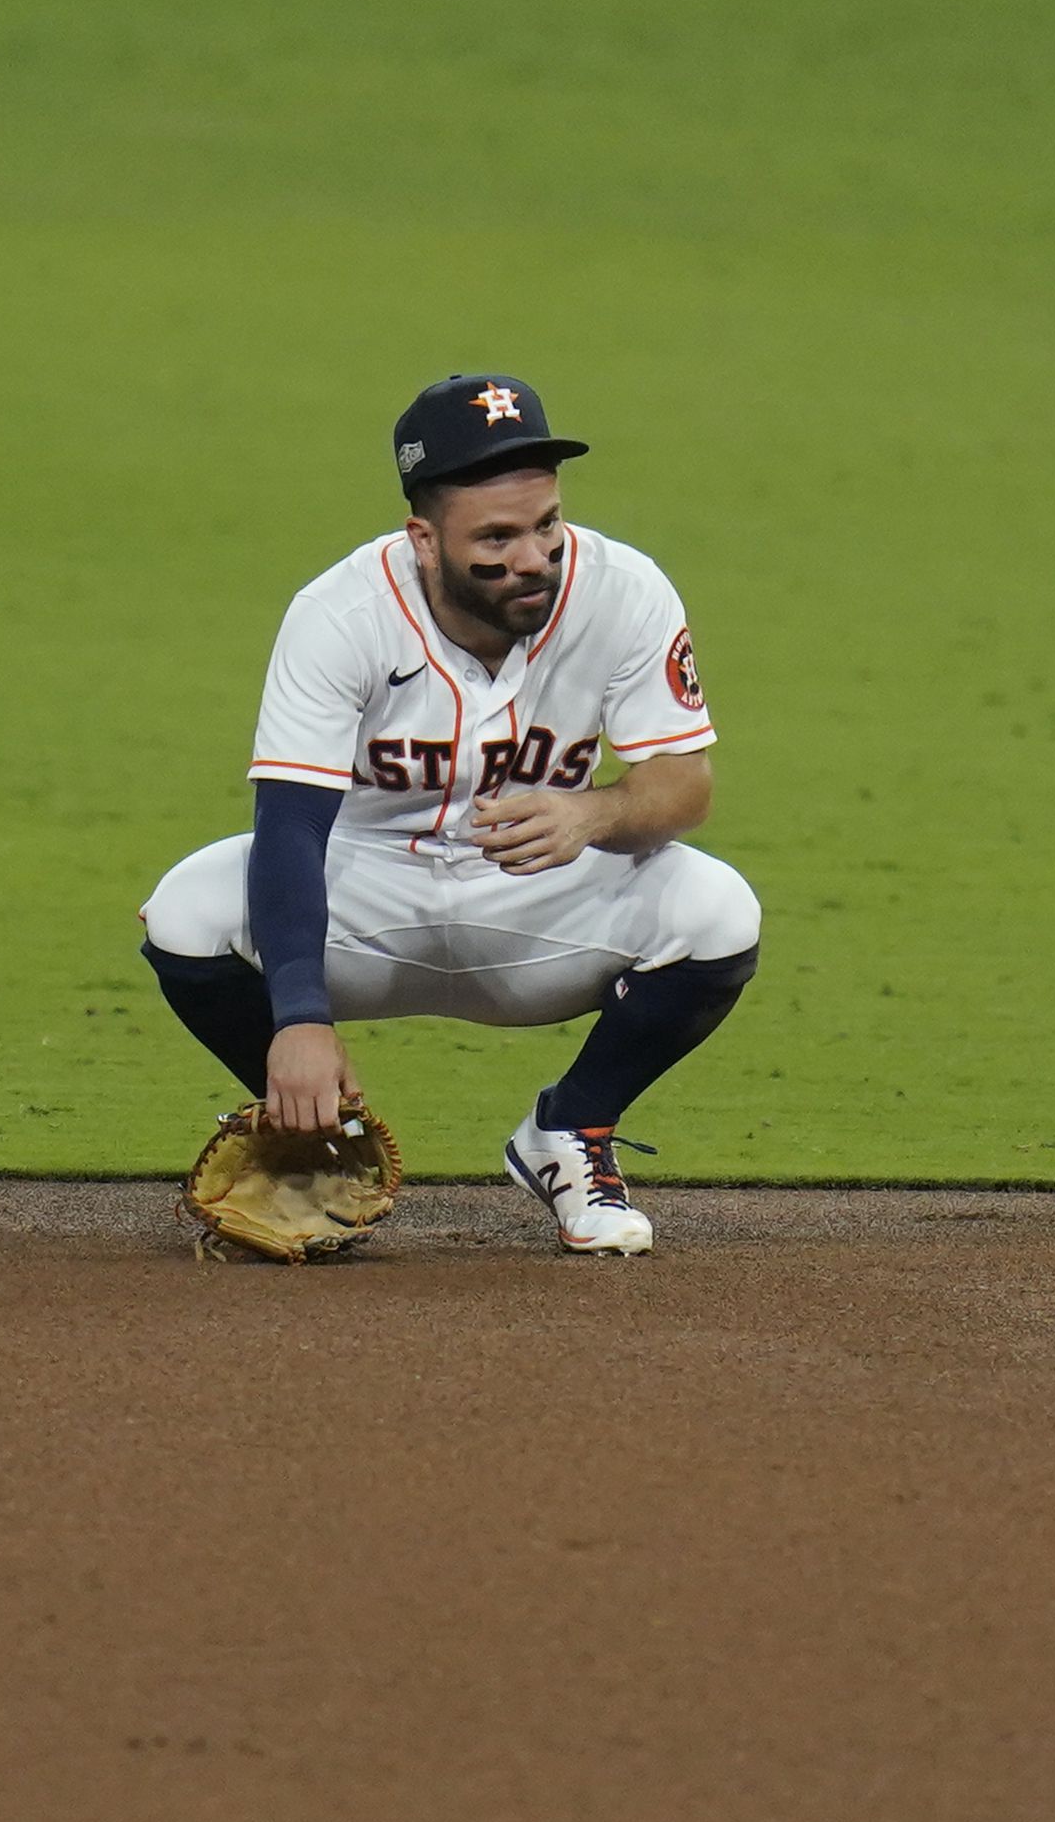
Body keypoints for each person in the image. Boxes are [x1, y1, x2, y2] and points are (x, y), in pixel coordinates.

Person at [136, 374, 762, 1255]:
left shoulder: (624, 590)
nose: (533, 556)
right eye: (496, 538)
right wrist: (300, 1018)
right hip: (364, 897)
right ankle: (315, 1139)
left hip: (538, 904)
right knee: (187, 911)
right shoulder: (340, 616)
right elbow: (289, 830)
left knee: (721, 911)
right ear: (423, 540)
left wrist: (594, 812)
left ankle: (570, 1131)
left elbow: (685, 784)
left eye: (546, 523)